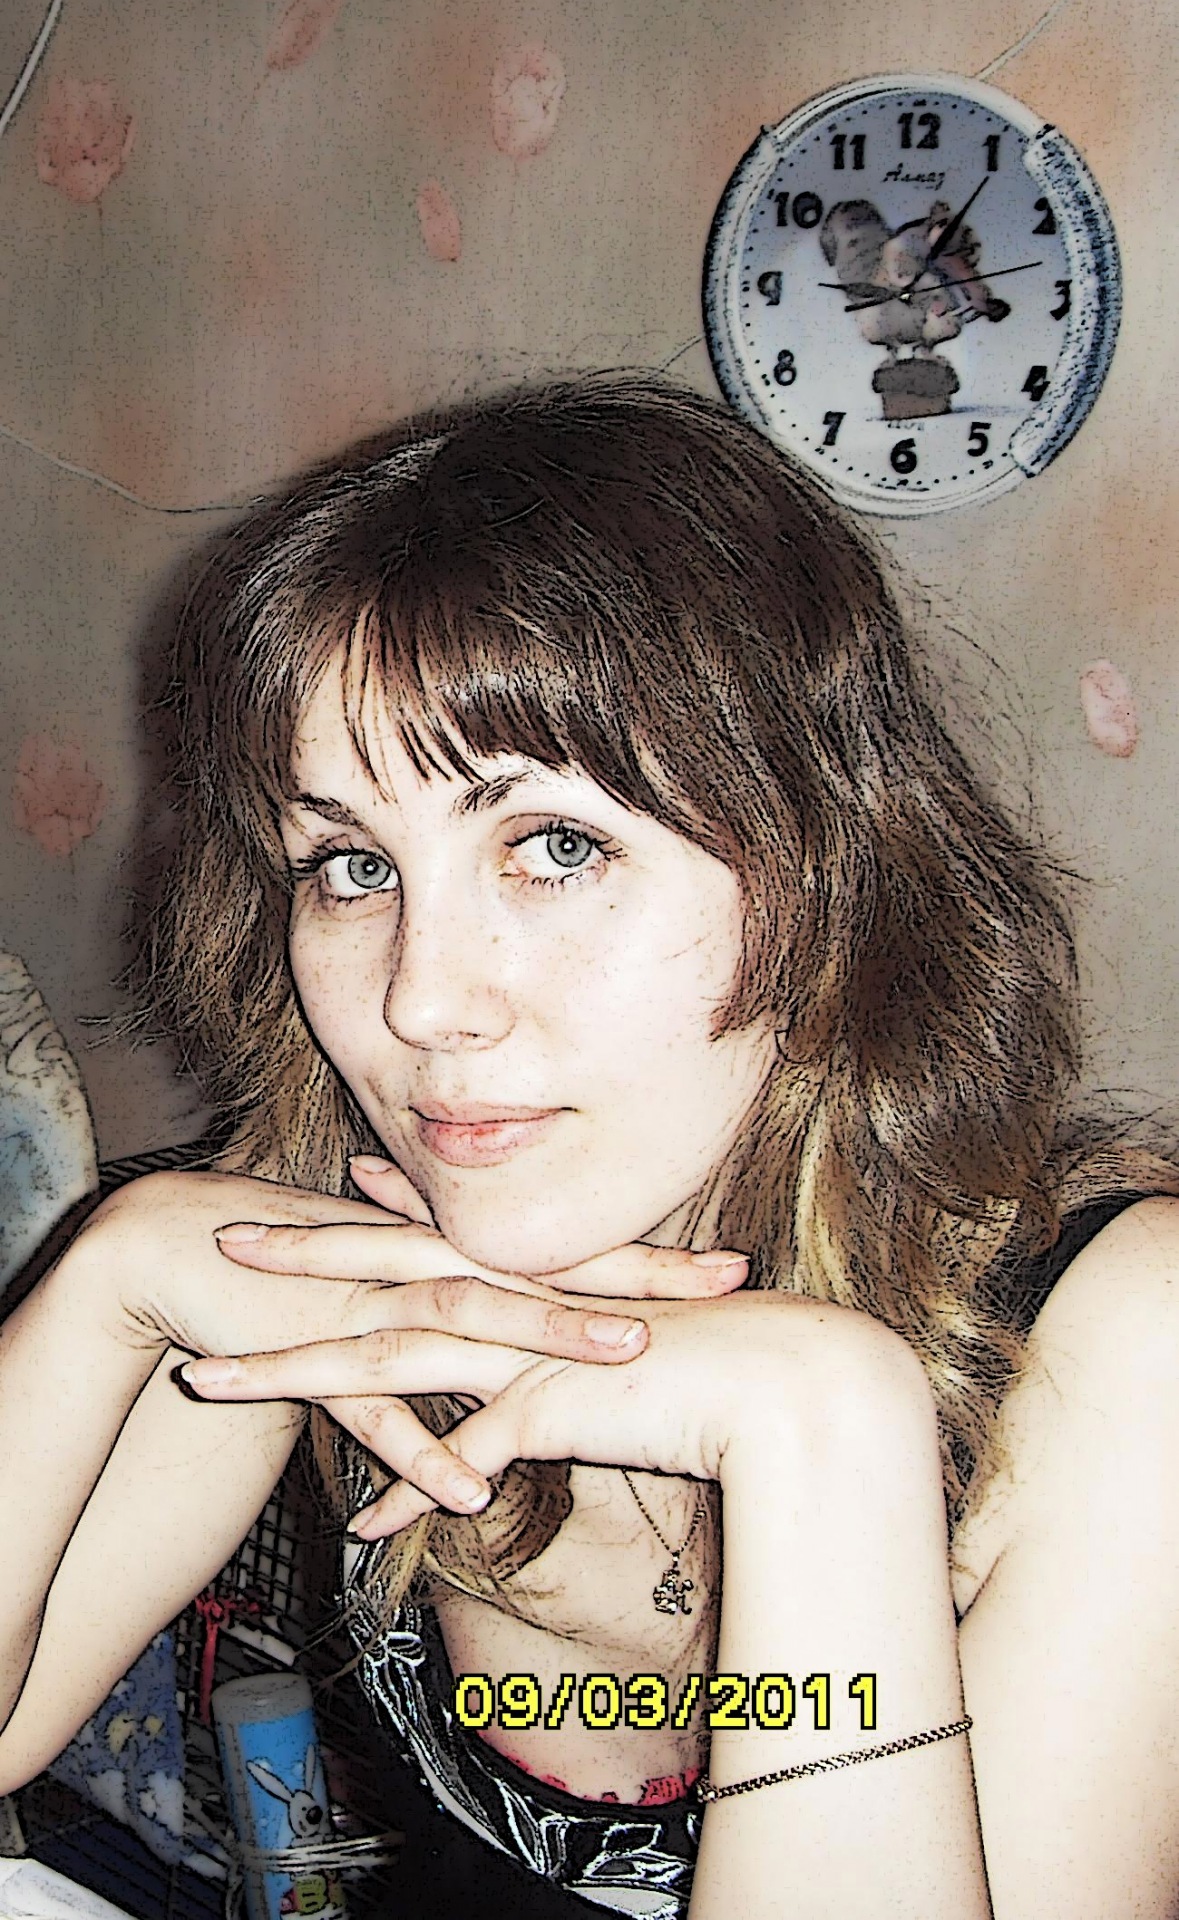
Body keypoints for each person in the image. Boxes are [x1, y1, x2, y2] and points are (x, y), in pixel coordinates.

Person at [1, 372, 1178, 1920]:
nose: (421, 1002)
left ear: (828, 875)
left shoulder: (1123, 1339)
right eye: (351, 864)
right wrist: (106, 1280)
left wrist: (822, 1436)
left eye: (557, 846)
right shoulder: (334, 1237)